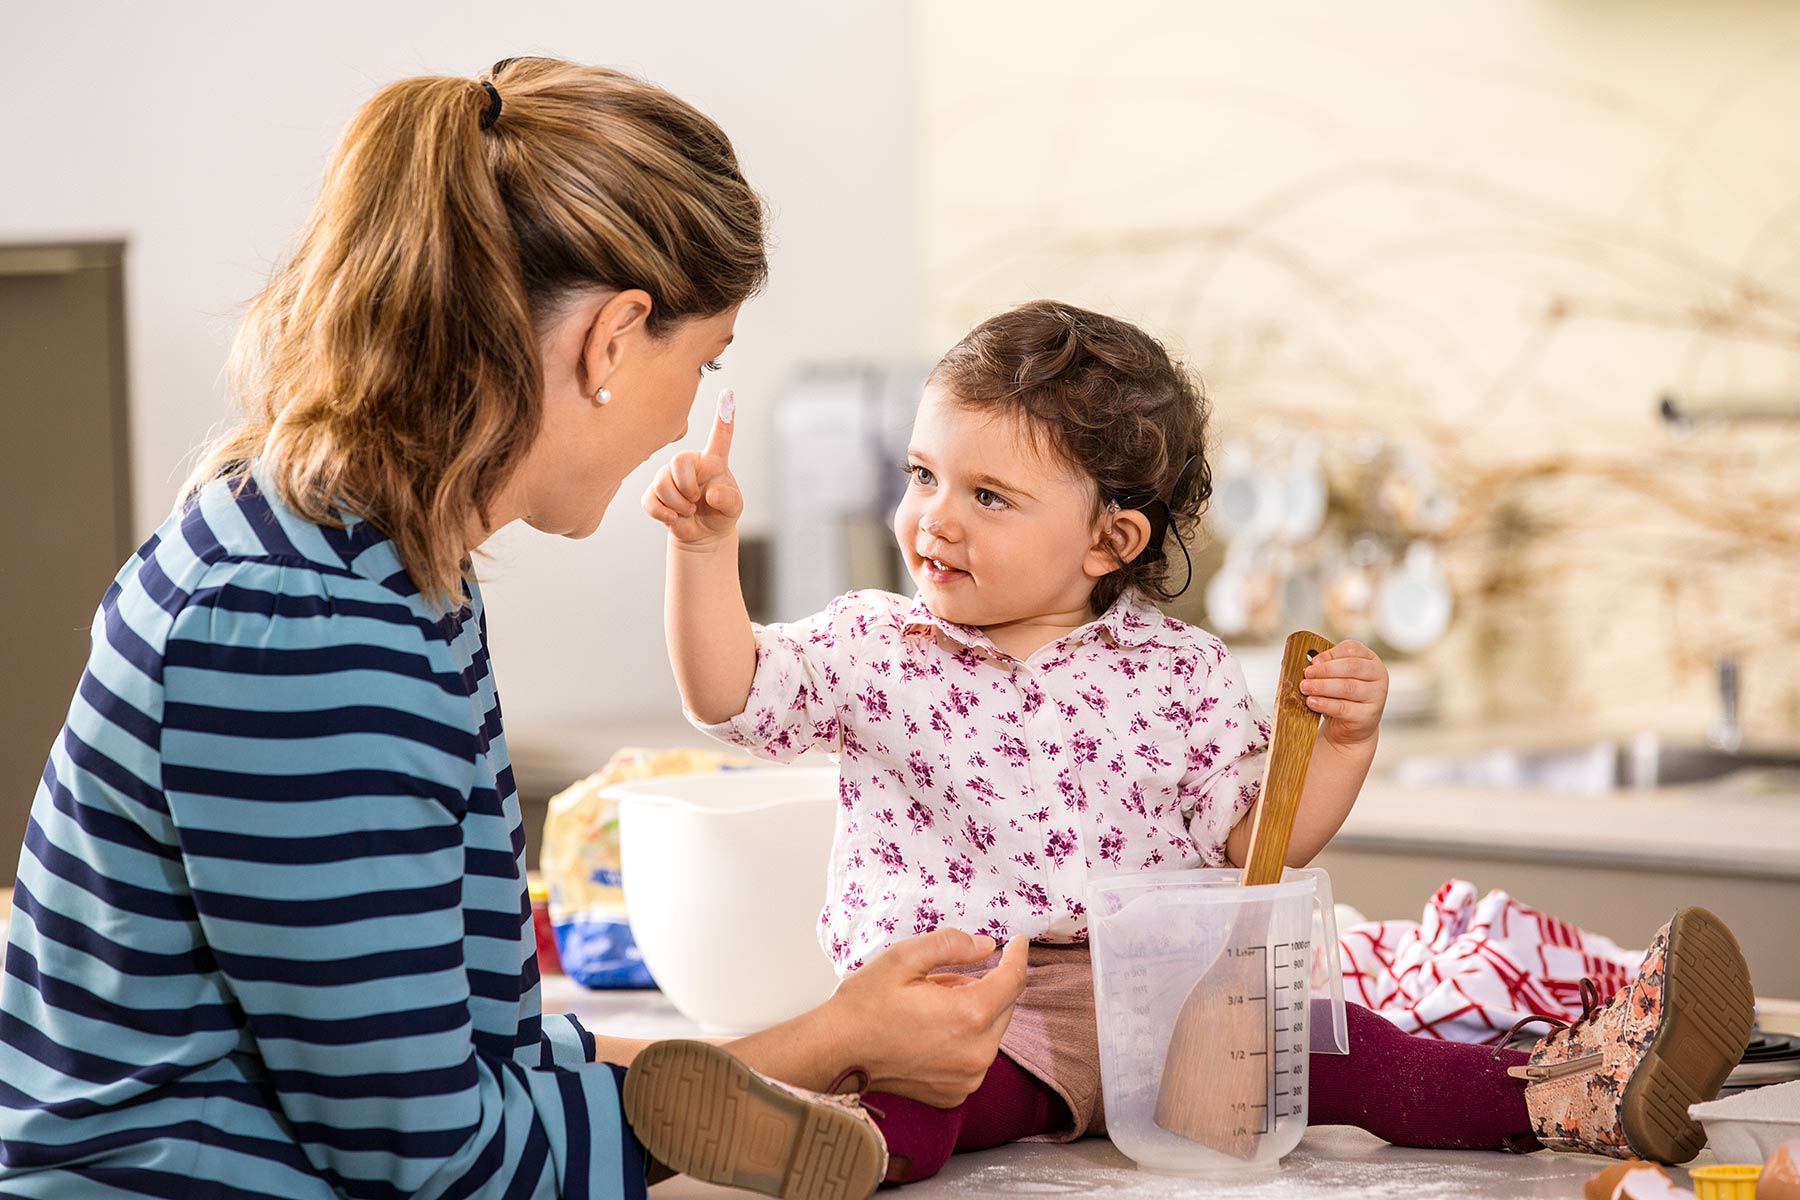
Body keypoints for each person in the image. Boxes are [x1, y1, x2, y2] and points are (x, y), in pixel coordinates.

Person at [0, 57, 1027, 1200]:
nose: (691, 409)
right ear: (613, 339)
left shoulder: (382, 567)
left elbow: (485, 1060)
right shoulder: (302, 627)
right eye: (705, 360)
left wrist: (833, 1039)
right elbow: (440, 1162)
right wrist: (829, 1044)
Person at [649, 300, 1757, 1185]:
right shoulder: (873, 645)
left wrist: (1342, 746)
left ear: (1108, 540)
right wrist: (704, 554)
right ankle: (830, 1143)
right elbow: (727, 693)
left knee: (1348, 1056)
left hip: (1165, 999)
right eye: (924, 475)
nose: (934, 516)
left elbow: (1252, 846)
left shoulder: (1180, 674)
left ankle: (1574, 1094)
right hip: (970, 1003)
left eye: (988, 495)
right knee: (929, 1099)